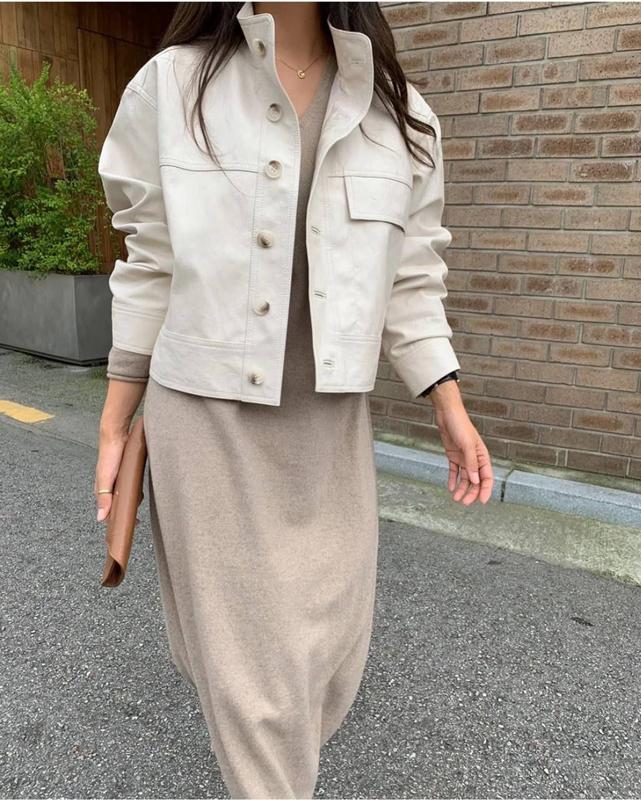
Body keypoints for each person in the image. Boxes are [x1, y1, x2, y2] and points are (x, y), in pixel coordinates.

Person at [94, 2, 494, 797]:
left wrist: (446, 400)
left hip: (329, 426)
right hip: (205, 416)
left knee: (324, 660)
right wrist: (114, 420)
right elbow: (149, 260)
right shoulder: (170, 86)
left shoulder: (400, 113)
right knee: (254, 683)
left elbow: (413, 274)